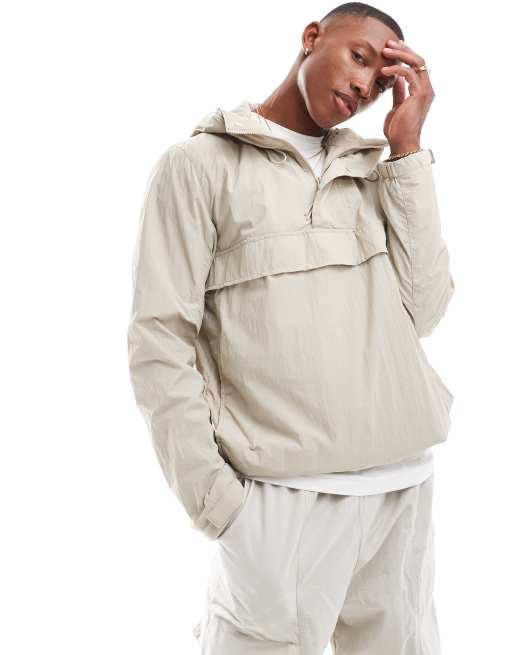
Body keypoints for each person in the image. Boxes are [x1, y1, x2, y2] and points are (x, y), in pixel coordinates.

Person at [127, 2, 455, 653]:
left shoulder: (377, 171)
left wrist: (407, 147)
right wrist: (218, 504)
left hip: (401, 494)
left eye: (379, 81)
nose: (363, 85)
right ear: (312, 37)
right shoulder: (200, 166)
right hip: (281, 503)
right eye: (359, 56)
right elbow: (158, 341)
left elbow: (425, 308)